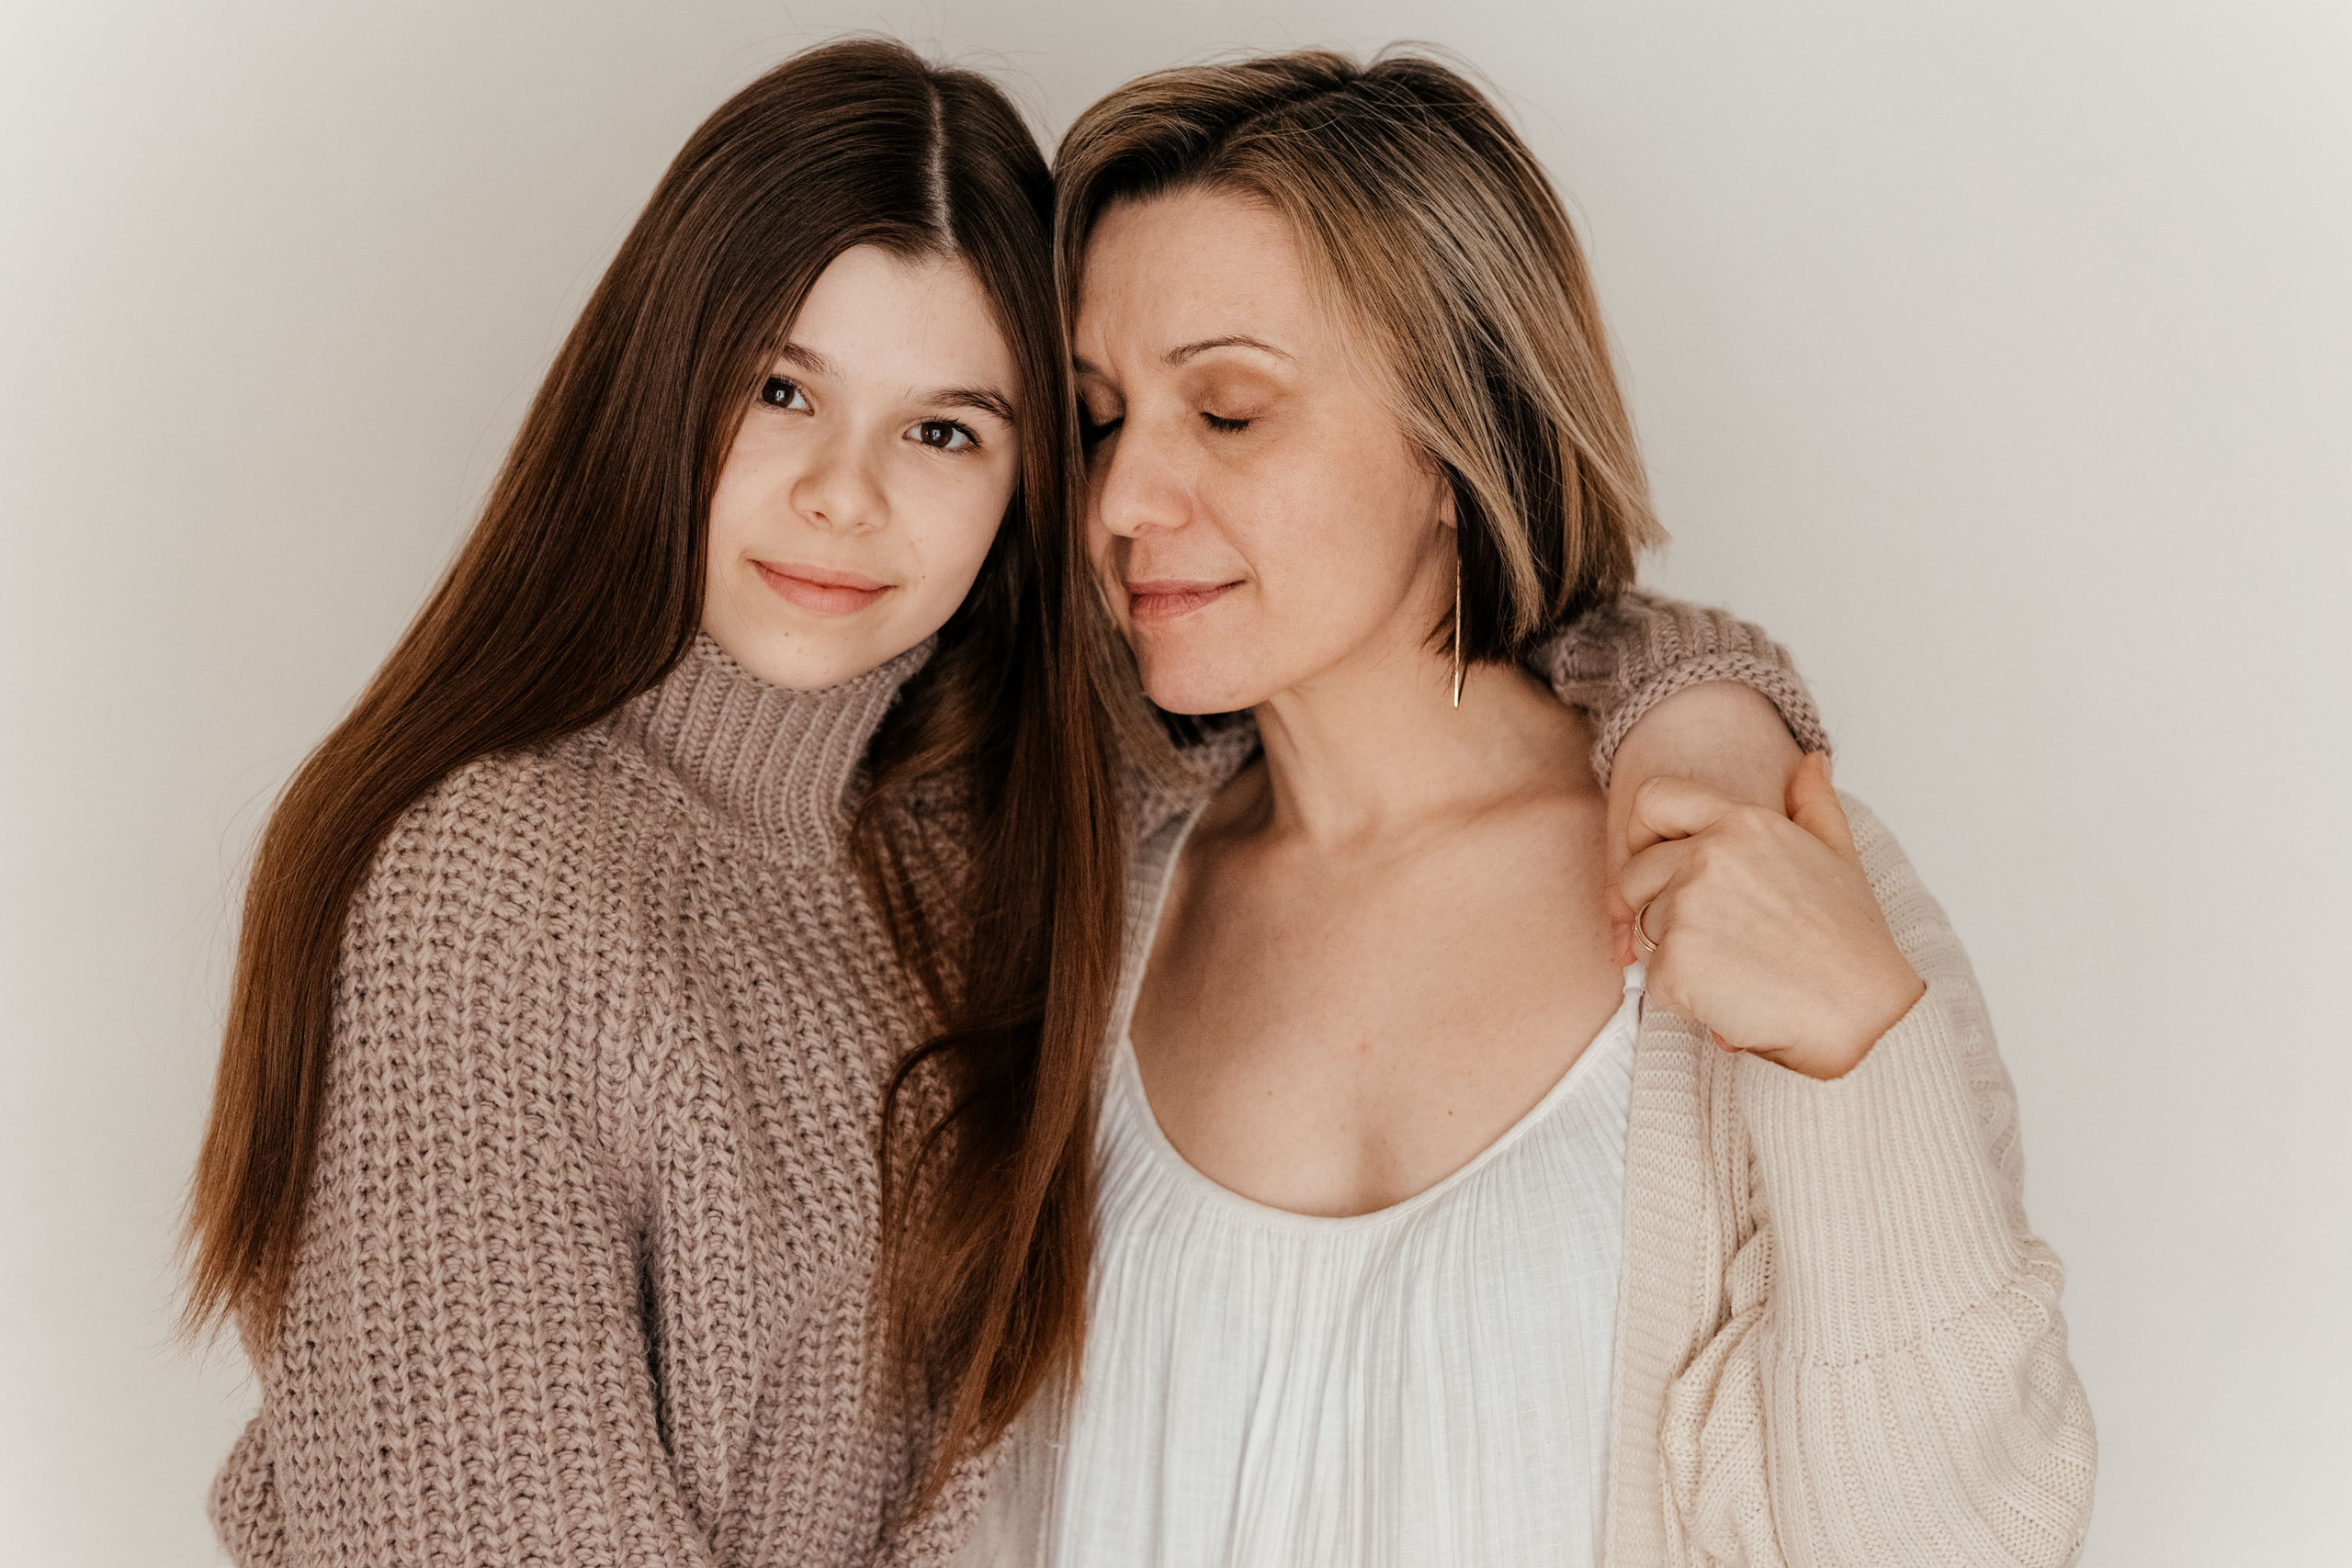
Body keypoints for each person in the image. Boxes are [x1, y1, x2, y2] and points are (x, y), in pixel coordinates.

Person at [184, 38, 1819, 1568]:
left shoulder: (1028, 817)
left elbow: (1430, 616)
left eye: (946, 429)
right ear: (658, 387)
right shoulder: (499, 889)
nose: (845, 490)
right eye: (779, 391)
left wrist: (1709, 722)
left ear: (1031, 487)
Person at [963, 50, 2097, 1567]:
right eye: (1101, 417)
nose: (1120, 500)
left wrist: (1855, 1057)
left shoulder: (1752, 858)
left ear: (1455, 440)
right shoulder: (1085, 906)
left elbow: (1954, 1541)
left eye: (1228, 412)